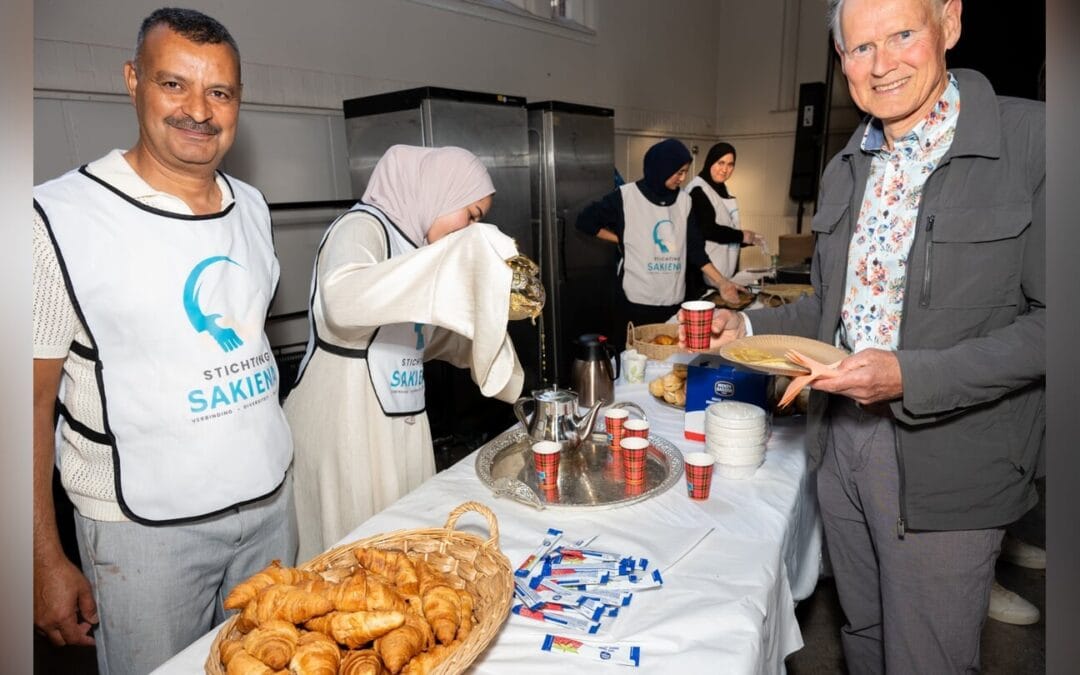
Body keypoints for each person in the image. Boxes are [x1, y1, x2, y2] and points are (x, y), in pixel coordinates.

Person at [691, 0, 1044, 670]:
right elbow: (833, 309)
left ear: (950, 23)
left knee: (924, 657)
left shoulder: (1036, 143)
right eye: (859, 49)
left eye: (902, 35)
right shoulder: (847, 163)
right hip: (840, 444)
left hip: (949, 461)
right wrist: (745, 323)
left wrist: (910, 376)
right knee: (863, 635)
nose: (880, 65)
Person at [32, 8, 297, 675]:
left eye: (220, 93)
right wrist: (40, 559)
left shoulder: (253, 207)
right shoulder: (56, 218)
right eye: (174, 84)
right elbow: (25, 403)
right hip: (144, 535)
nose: (199, 111)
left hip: (268, 509)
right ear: (133, 80)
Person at [284, 144, 530, 562]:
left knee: (406, 546)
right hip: (345, 424)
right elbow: (343, 301)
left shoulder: (414, 245)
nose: (469, 230)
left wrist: (487, 347)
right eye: (469, 216)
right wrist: (452, 263)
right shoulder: (363, 226)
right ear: (441, 192)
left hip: (398, 421)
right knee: (355, 557)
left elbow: (418, 337)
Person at [576, 138, 745, 348]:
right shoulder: (626, 197)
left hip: (673, 302)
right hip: (635, 304)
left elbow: (695, 251)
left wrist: (722, 282)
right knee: (634, 360)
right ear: (662, 168)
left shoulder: (685, 201)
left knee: (671, 360)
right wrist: (622, 237)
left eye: (685, 172)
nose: (683, 178)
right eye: (679, 172)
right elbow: (585, 222)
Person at [685, 142, 765, 293]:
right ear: (710, 161)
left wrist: (748, 239)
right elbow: (708, 230)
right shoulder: (698, 191)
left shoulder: (720, 189)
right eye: (720, 163)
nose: (725, 169)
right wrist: (741, 236)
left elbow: (723, 227)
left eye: (730, 164)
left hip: (722, 274)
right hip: (701, 279)